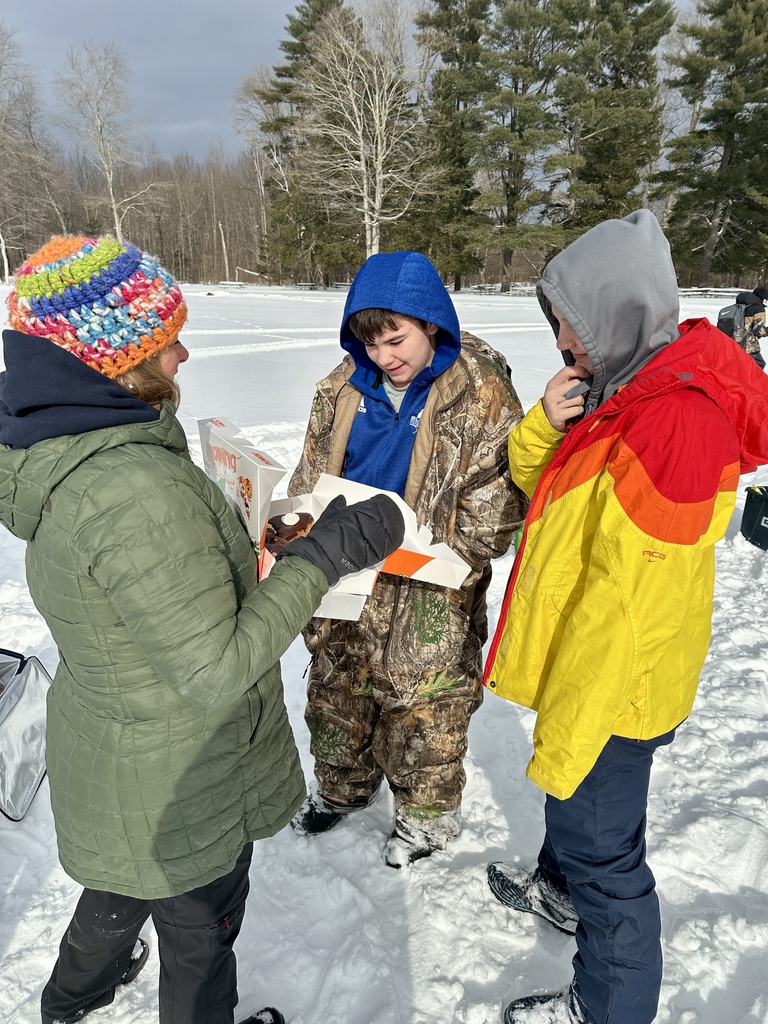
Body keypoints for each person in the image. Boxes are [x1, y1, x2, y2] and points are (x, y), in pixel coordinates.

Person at [0, 235, 404, 1024]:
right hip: (178, 779)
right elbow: (217, 669)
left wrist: (227, 544)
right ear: (112, 363)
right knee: (201, 934)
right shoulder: (133, 488)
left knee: (117, 886)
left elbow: (139, 594)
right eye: (163, 341)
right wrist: (322, 557)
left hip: (117, 752)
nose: (183, 353)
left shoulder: (61, 445)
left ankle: (70, 999)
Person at [482, 211, 768, 1024]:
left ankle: (605, 1006)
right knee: (581, 823)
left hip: (615, 689)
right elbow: (545, 485)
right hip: (598, 672)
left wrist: (573, 728)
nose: (562, 342)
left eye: (568, 323)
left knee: (606, 854)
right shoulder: (624, 391)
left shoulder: (673, 421)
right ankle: (560, 886)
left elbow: (627, 611)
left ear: (614, 311)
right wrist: (546, 420)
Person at [287, 249, 528, 867]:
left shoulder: (482, 396)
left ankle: (425, 819)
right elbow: (311, 471)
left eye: (397, 340)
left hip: (429, 585)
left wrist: (456, 553)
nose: (384, 358)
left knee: (427, 705)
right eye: (370, 345)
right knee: (337, 689)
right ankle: (343, 790)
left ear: (431, 323)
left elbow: (497, 501)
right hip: (346, 570)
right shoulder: (339, 390)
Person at [735, 290, 767, 369]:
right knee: (758, 365)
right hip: (748, 345)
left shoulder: (740, 305)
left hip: (733, 341)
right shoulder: (758, 307)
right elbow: (759, 331)